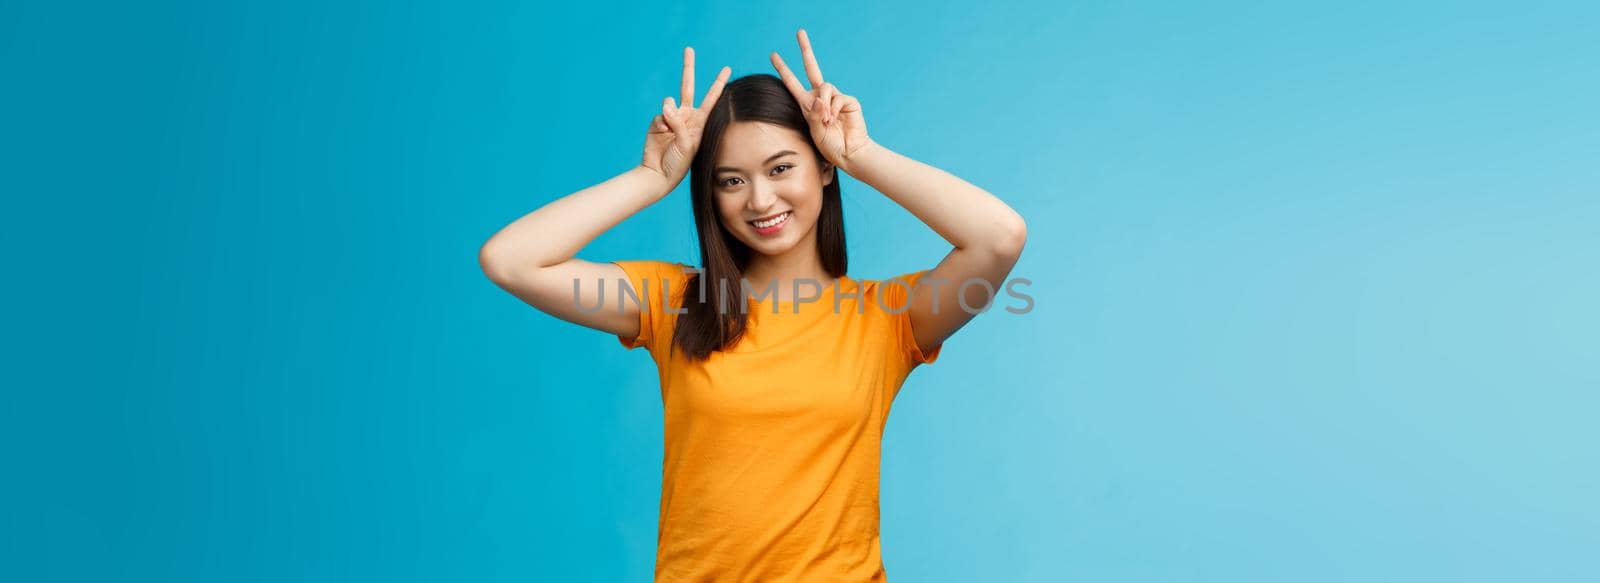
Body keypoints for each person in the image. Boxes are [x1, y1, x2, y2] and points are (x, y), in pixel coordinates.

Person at [479, 29, 1026, 582]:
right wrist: (651, 179)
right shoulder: (673, 301)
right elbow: (512, 260)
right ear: (710, 195)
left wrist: (862, 153)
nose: (760, 200)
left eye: (781, 168)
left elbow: (999, 237)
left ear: (824, 167)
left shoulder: (887, 317)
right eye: (731, 180)